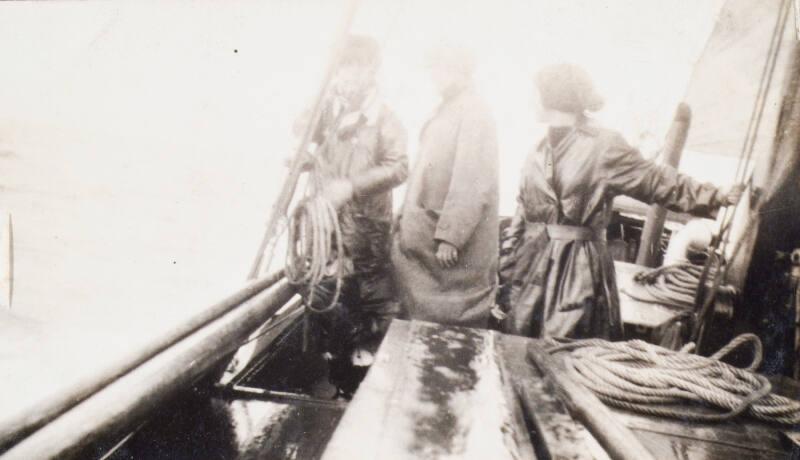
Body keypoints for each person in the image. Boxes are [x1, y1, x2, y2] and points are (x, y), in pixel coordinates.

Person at [497, 63, 743, 340]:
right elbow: (522, 208)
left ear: (553, 95)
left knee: (569, 347)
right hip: (531, 268)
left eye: (535, 92)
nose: (531, 100)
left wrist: (714, 196)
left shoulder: (602, 145)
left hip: (577, 271)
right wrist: (507, 267)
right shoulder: (537, 151)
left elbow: (653, 180)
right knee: (519, 344)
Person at [294, 35, 408, 398]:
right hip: (326, 233)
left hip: (366, 232)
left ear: (371, 71)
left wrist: (352, 186)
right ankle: (337, 374)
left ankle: (358, 385)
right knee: (326, 297)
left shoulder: (385, 119)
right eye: (343, 69)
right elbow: (300, 133)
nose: (348, 77)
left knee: (367, 304)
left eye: (356, 68)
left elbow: (400, 167)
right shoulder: (328, 112)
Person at [392, 44, 499, 328]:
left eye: (440, 68)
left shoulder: (473, 111)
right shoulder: (448, 109)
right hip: (424, 233)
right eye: (434, 68)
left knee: (447, 316)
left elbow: (472, 177)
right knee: (419, 312)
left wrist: (451, 236)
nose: (434, 76)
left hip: (444, 245)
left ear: (459, 71)